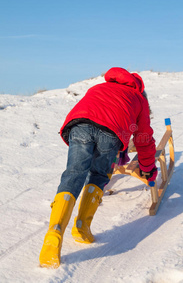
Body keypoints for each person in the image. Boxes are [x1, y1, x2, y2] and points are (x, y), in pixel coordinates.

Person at [39, 67, 157, 268]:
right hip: (110, 133)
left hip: (79, 125)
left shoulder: (99, 87)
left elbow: (90, 109)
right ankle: (82, 227)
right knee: (99, 175)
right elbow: (143, 138)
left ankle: (54, 233)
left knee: (74, 174)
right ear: (139, 87)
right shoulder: (139, 98)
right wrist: (148, 167)